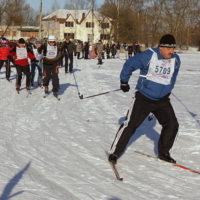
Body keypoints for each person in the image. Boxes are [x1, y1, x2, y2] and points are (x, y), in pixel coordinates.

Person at [108, 34, 181, 164]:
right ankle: (115, 152)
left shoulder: (175, 59)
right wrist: (124, 82)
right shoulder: (148, 55)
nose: (172, 51)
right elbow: (129, 64)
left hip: (162, 100)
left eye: (173, 48)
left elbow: (172, 76)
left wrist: (168, 89)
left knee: (172, 124)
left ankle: (164, 153)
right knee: (130, 125)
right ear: (161, 47)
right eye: (169, 48)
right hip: (143, 97)